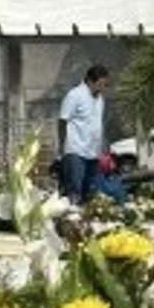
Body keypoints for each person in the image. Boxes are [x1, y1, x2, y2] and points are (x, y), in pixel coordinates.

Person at [58, 65, 108, 204]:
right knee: (75, 191)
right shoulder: (75, 95)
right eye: (100, 84)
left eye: (105, 85)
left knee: (89, 193)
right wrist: (62, 145)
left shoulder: (100, 99)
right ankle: (72, 220)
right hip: (75, 151)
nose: (103, 88)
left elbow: (97, 124)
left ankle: (85, 222)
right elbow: (62, 120)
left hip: (93, 152)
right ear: (90, 81)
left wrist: (102, 146)